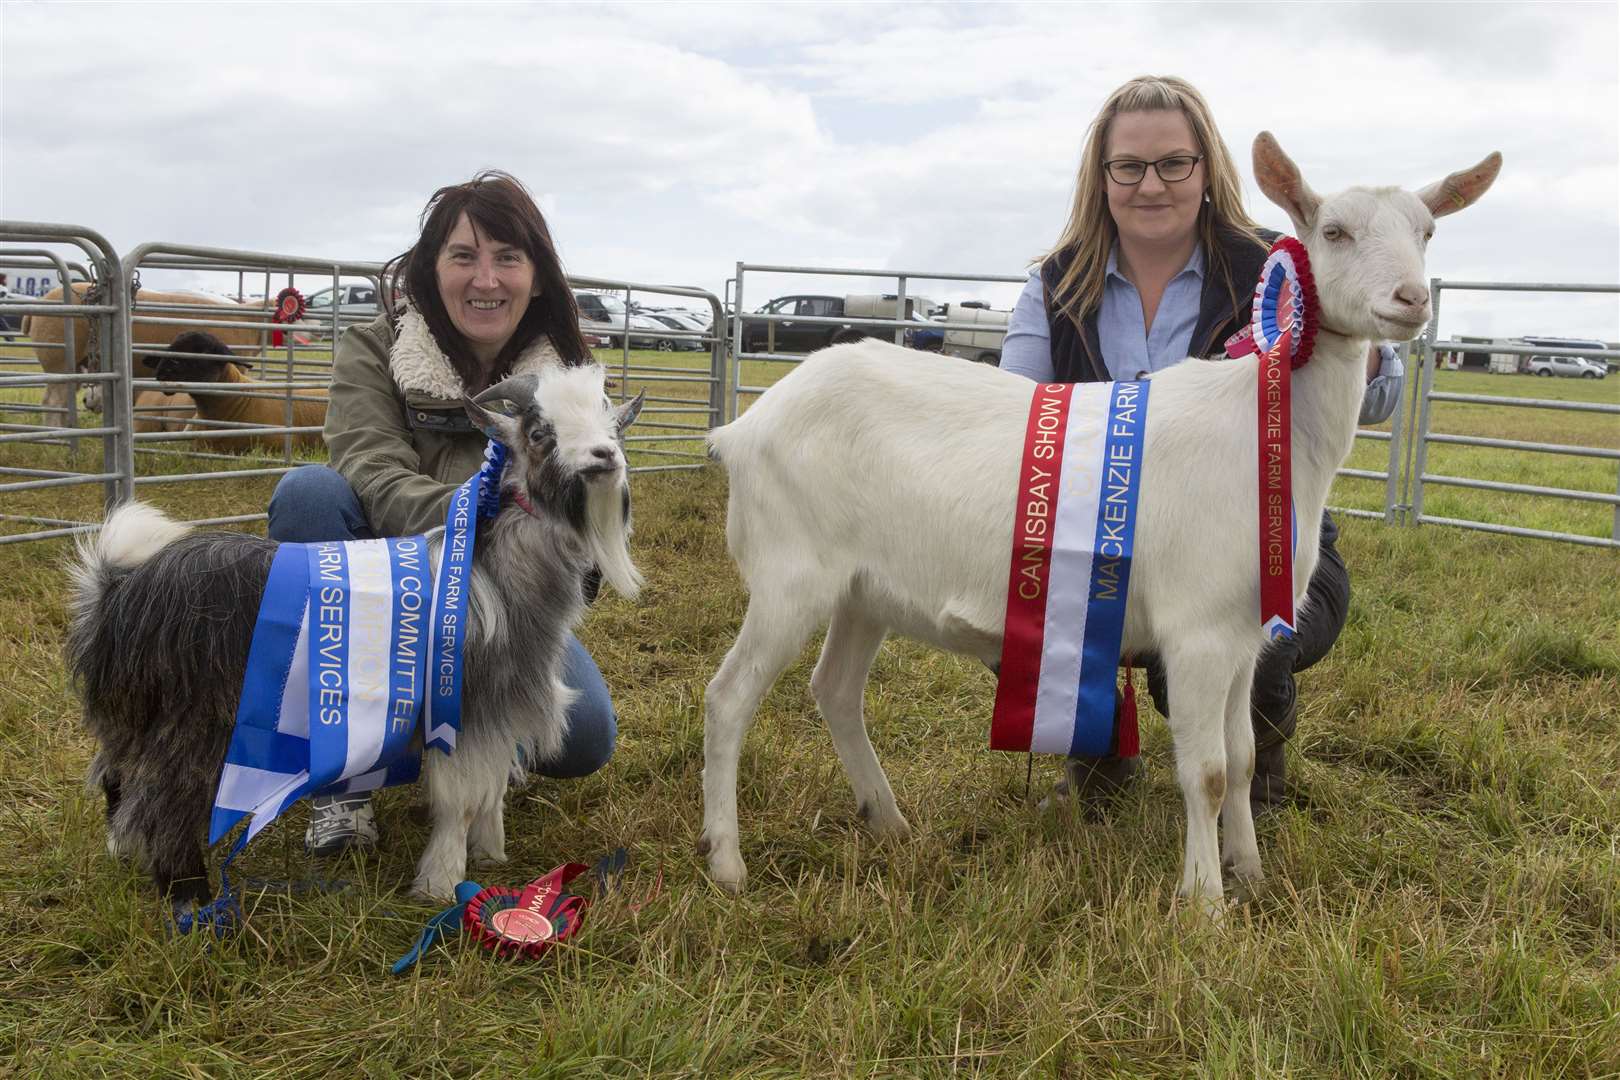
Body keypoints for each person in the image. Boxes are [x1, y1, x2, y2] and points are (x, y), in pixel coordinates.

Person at [999, 76, 1405, 813]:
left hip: (1253, 536)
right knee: (1026, 589)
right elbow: (1017, 417)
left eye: (1174, 163)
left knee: (1249, 623)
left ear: (1206, 167)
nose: (1151, 184)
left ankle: (1256, 783)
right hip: (1097, 533)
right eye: (1129, 166)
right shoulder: (1055, 287)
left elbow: (1374, 392)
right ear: (1103, 177)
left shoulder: (1279, 267)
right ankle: (1097, 759)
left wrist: (1363, 353)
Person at [267, 171, 616, 855]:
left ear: (537, 277)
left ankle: (480, 746)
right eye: (464, 257)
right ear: (432, 270)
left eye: (507, 258)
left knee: (585, 736)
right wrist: (495, 518)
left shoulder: (572, 379)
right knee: (310, 494)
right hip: (385, 599)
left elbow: (592, 530)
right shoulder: (375, 351)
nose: (486, 279)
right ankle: (345, 784)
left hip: (505, 611)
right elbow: (369, 468)